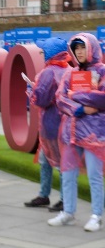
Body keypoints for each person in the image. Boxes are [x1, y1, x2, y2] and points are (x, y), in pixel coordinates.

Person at [48, 33, 105, 232]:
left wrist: (76, 95)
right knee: (68, 174)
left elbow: (103, 98)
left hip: (93, 134)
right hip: (71, 131)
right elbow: (60, 98)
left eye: (83, 47)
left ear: (91, 48)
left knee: (94, 176)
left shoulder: (102, 71)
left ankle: (96, 215)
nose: (79, 52)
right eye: (76, 48)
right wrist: (80, 108)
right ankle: (68, 212)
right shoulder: (71, 73)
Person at [24, 37, 71, 211]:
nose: (42, 53)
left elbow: (41, 100)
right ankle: (50, 196)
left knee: (55, 163)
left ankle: (59, 199)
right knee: (54, 161)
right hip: (66, 124)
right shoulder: (70, 70)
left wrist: (31, 91)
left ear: (51, 53)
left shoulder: (48, 72)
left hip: (51, 125)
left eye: (44, 51)